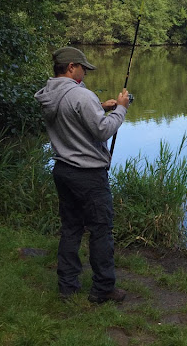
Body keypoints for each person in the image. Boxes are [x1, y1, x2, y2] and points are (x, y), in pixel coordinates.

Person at [34, 46, 130, 303]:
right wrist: (120, 108)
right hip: (88, 175)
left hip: (63, 170)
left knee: (71, 228)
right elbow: (102, 131)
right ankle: (103, 289)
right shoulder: (81, 94)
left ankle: (67, 287)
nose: (85, 72)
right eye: (83, 68)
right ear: (70, 67)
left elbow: (71, 113)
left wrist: (100, 105)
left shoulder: (49, 94)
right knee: (101, 230)